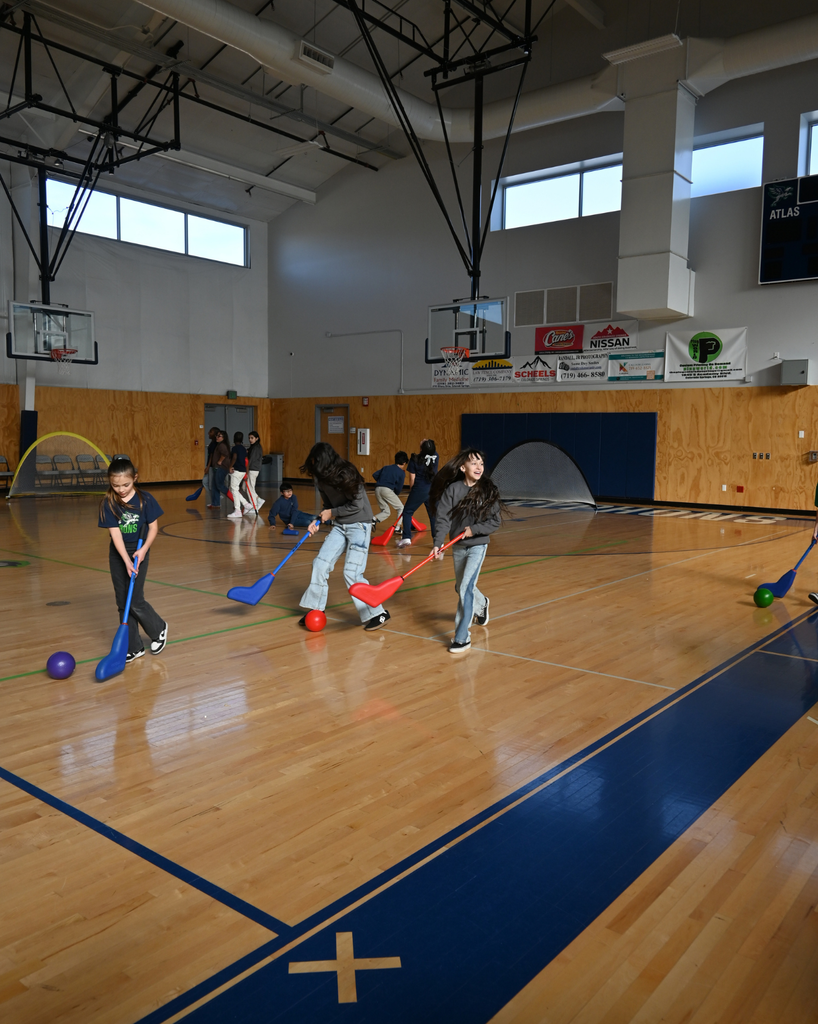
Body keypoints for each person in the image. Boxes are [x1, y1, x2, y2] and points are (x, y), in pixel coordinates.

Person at [298, 442, 390, 630]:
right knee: (320, 564)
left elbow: (356, 506)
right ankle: (316, 609)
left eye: (318, 463)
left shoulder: (347, 474)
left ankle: (378, 613)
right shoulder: (321, 479)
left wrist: (331, 513)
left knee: (352, 573)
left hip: (360, 525)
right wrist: (317, 520)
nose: (315, 467)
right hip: (341, 525)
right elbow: (328, 506)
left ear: (327, 462)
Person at [430, 448, 502, 654]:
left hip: (478, 545)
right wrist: (438, 544)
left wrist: (474, 530)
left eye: (481, 463)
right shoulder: (452, 490)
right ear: (463, 468)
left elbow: (495, 522)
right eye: (473, 463)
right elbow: (442, 518)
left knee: (464, 588)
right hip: (458, 546)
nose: (479, 467)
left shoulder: (487, 491)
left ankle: (462, 637)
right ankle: (481, 603)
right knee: (461, 587)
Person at [98, 457, 168, 664]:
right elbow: (115, 535)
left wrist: (144, 549)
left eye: (126, 485)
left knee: (135, 599)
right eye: (115, 485)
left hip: (139, 552)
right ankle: (134, 647)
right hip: (119, 553)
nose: (121, 489)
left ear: (135, 478)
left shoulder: (145, 500)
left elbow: (153, 528)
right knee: (122, 601)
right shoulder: (109, 503)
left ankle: (159, 628)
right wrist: (125, 560)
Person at [397, 439, 438, 548]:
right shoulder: (436, 456)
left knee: (407, 512)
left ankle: (406, 538)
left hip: (419, 489)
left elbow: (412, 479)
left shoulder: (415, 459)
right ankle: (438, 542)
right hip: (433, 489)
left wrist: (413, 493)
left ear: (421, 448)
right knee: (433, 514)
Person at [373, 450, 408, 525]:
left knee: (386, 511)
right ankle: (397, 527)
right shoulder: (401, 472)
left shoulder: (386, 467)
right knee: (401, 508)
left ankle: (373, 519)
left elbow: (375, 475)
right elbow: (399, 487)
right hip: (387, 490)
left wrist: (382, 481)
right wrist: (396, 494)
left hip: (377, 489)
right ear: (404, 463)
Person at [227, 431, 253, 519]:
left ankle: (238, 510)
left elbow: (234, 458)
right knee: (234, 488)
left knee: (234, 489)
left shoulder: (235, 448)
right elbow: (247, 461)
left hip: (236, 471)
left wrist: (230, 466)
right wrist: (247, 472)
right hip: (242, 471)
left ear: (234, 439)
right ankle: (246, 504)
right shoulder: (243, 449)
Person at [209, 429, 231, 509]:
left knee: (220, 486)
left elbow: (224, 454)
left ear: (223, 438)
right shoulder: (219, 444)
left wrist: (220, 461)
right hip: (217, 468)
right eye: (217, 435)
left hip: (221, 468)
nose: (217, 437)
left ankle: (235, 499)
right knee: (214, 486)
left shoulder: (222, 445)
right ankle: (215, 503)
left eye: (219, 436)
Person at [246, 431, 265, 513]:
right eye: (249, 438)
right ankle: (258, 499)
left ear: (257, 438)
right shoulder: (253, 447)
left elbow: (251, 460)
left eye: (252, 438)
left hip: (252, 469)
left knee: (249, 488)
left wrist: (246, 469)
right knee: (245, 487)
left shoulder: (256, 448)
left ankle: (255, 507)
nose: (250, 440)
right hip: (252, 469)